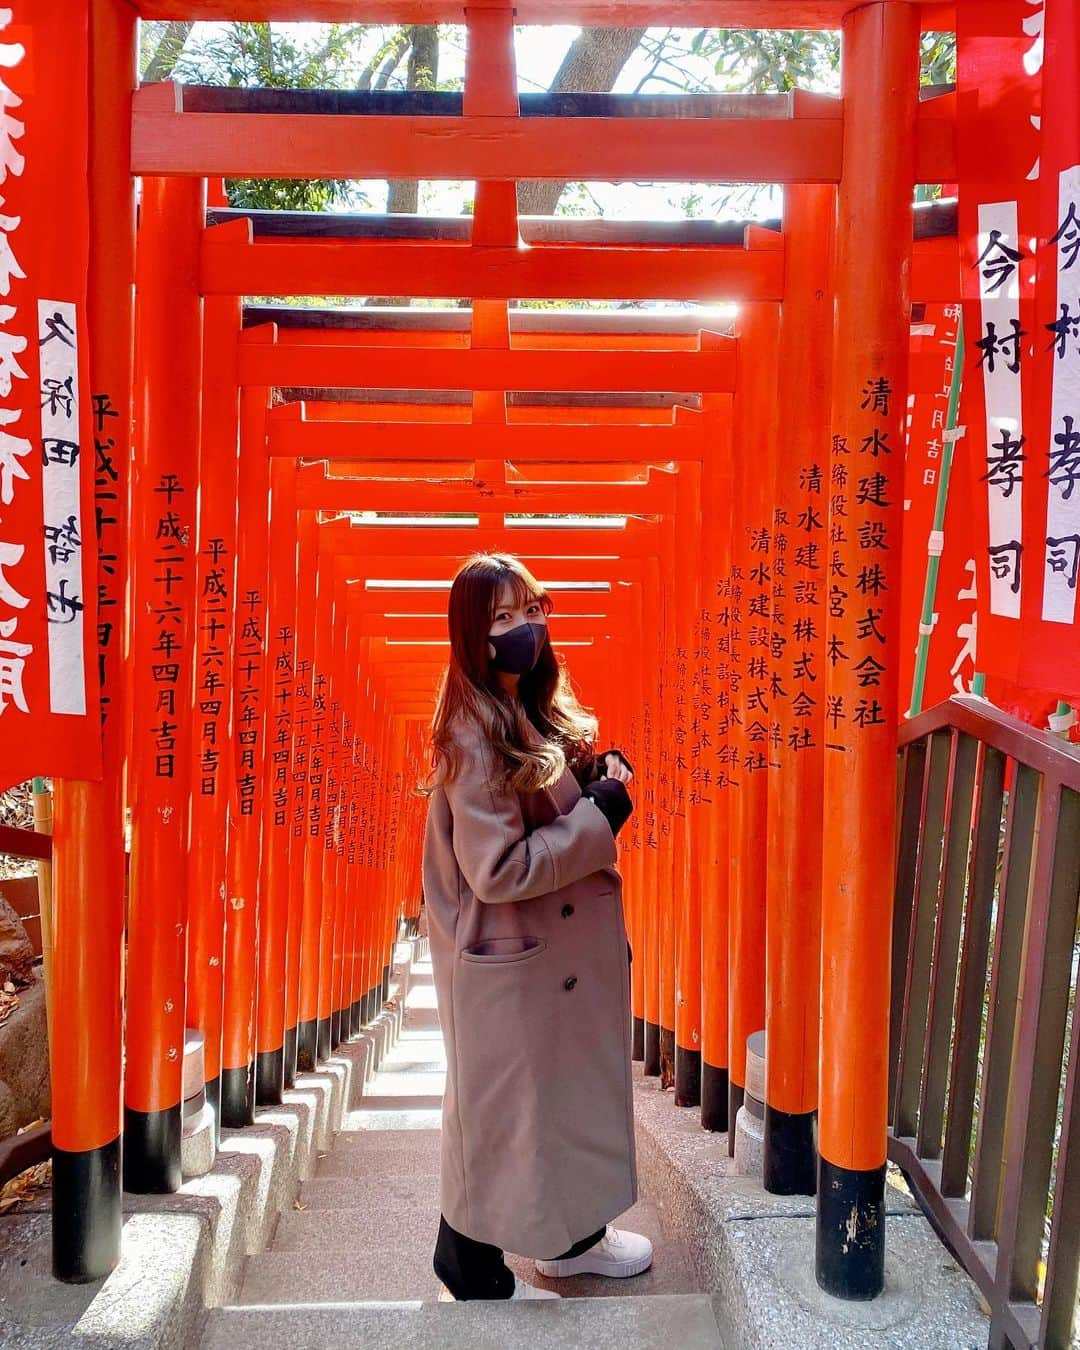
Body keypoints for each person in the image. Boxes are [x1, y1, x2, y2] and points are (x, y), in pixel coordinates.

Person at [420, 551, 650, 1302]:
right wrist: (600, 815)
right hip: (511, 956)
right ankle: (468, 1259)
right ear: (472, 636)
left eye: (534, 609)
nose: (529, 628)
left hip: (551, 952)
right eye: (505, 618)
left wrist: (591, 778)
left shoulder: (526, 703)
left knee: (562, 1095)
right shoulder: (469, 731)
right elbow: (500, 869)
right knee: (503, 1111)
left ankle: (572, 1237)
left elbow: (539, 804)